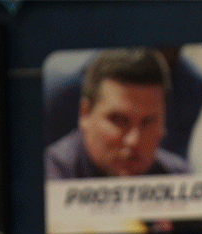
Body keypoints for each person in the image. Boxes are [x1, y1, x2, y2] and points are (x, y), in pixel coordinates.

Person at [45, 47, 190, 179]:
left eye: (148, 122)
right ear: (85, 114)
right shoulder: (46, 179)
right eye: (119, 120)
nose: (133, 141)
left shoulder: (180, 178)